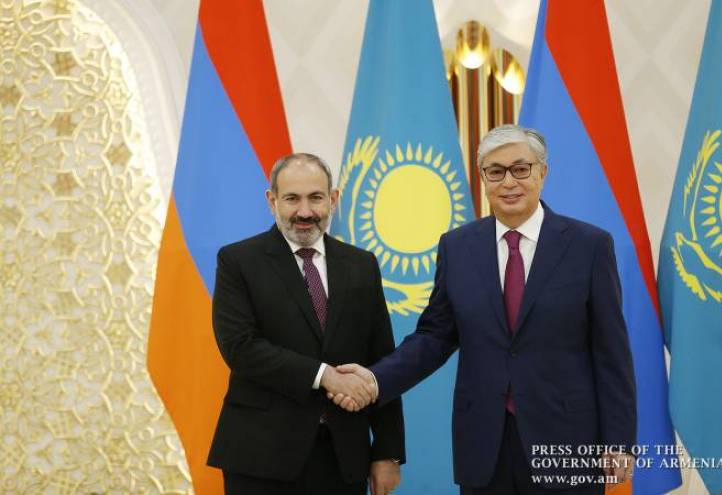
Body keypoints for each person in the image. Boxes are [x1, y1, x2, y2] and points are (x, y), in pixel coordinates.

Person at [332, 125, 637, 495]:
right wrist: (374, 380)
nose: (508, 182)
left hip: (565, 440)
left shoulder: (589, 245)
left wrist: (619, 441)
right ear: (483, 177)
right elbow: (435, 337)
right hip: (483, 443)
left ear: (542, 172)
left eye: (520, 169)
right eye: (495, 171)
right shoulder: (457, 247)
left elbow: (610, 351)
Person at [207, 153, 405, 495]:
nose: (304, 211)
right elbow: (240, 348)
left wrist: (388, 451)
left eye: (315, 197)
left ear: (333, 199)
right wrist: (325, 376)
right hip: (261, 457)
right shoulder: (238, 261)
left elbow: (381, 359)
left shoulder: (362, 265)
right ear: (272, 201)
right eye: (291, 199)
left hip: (343, 458)